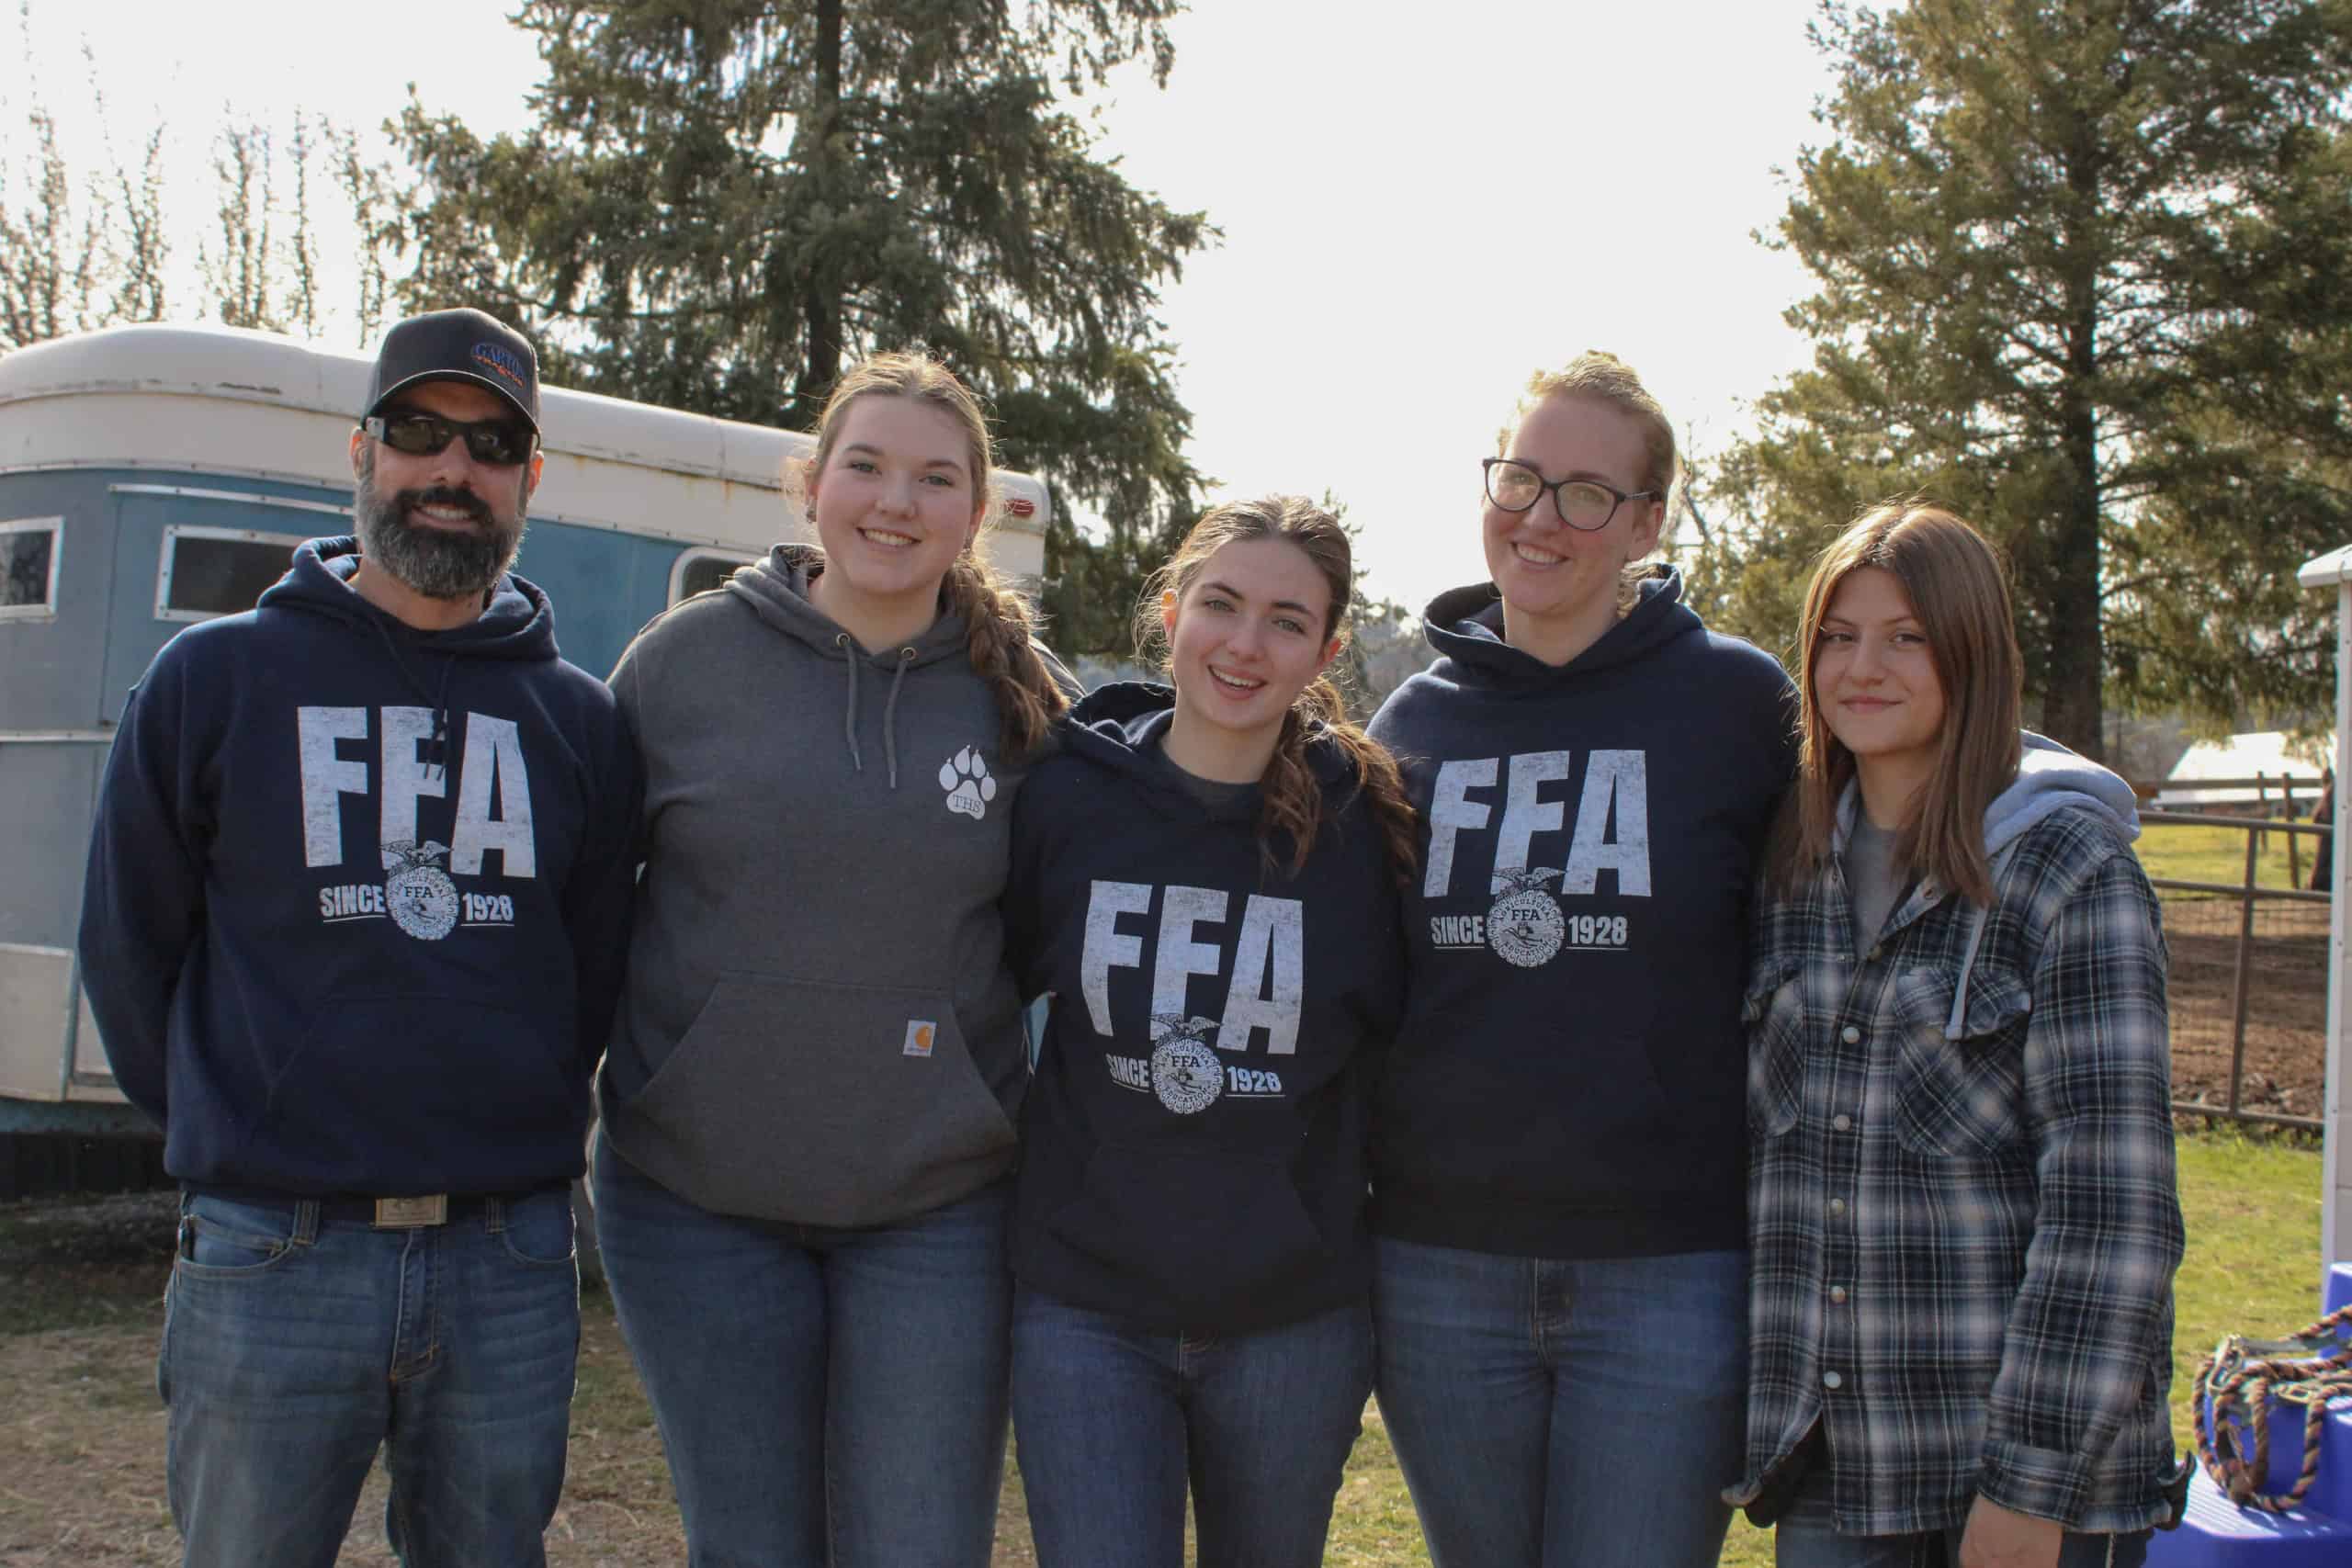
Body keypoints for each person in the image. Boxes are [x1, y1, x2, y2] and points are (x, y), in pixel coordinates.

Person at [77, 307, 644, 1568]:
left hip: (506, 1258)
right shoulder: (212, 680)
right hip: (272, 1252)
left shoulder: (582, 720)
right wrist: (250, 1131)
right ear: (360, 452)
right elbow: (128, 951)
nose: (453, 470)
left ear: (530, 478)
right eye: (418, 432)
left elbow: (590, 976)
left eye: (493, 442)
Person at [589, 352, 1069, 1567]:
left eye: (934, 478)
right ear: (810, 483)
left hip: (937, 1209)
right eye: (865, 465)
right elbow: (589, 908)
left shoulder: (1022, 704)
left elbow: (1054, 931)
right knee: (751, 1544)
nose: (895, 503)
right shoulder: (680, 666)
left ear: (977, 512)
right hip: (696, 1203)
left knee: (917, 1543)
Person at [1364, 352, 1797, 1568]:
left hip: (1669, 1275)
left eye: (1586, 493)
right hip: (1443, 1270)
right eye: (1521, 477)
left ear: (1648, 522)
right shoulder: (1413, 725)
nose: (1540, 516)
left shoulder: (1737, 706)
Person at [1728, 502, 2186, 1568]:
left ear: (1971, 653)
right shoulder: (1793, 874)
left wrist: (2030, 1484)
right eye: (1837, 638)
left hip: (2019, 1473)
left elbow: (2112, 1213)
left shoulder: (2066, 869)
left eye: (1906, 637)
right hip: (1839, 1454)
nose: (1862, 668)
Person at [1001, 496, 1416, 1568]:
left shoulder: (1368, 830)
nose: (1244, 643)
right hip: (1085, 1315)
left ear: (1325, 650)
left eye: (1285, 621)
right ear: (1173, 611)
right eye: (1221, 605)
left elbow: (1397, 1051)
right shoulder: (1065, 795)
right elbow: (981, 991)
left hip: (1292, 1324)